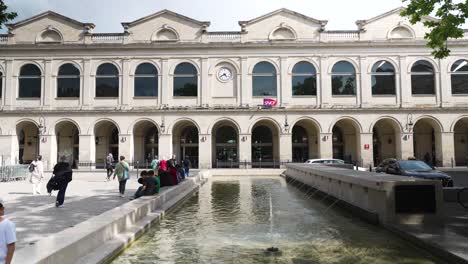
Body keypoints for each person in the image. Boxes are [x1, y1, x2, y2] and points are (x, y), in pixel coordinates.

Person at [0, 198, 16, 264]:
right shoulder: (8, 224)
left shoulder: (8, 224)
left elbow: (11, 246)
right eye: (2, 207)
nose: (4, 209)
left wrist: (7, 263)